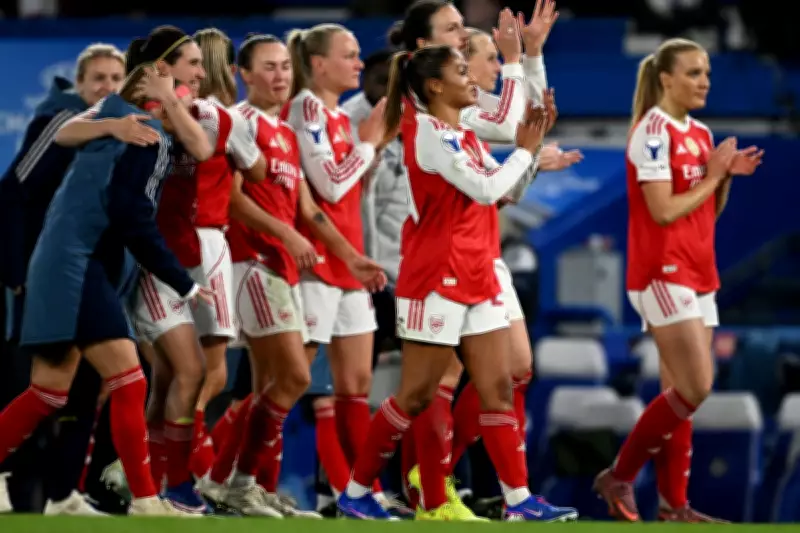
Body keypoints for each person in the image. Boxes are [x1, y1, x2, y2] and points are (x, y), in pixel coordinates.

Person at [337, 45, 569, 522]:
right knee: (416, 395)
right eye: (461, 71)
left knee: (498, 388)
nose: (471, 79)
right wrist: (524, 150)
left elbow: (503, 192)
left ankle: (519, 501)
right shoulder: (427, 133)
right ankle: (356, 492)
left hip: (478, 272)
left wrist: (530, 148)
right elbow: (485, 188)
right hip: (435, 278)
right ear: (435, 86)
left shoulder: (465, 135)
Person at [0, 39, 212, 513]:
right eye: (193, 67)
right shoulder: (143, 131)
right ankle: (145, 498)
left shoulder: (129, 116)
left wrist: (157, 103)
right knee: (128, 380)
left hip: (73, 261)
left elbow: (201, 146)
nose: (201, 76)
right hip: (78, 264)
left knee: (48, 392)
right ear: (160, 77)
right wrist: (183, 282)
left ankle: (117, 496)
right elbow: (129, 213)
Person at [196, 33, 384, 517]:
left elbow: (307, 209)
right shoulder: (240, 122)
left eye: (284, 66)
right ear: (244, 74)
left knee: (264, 388)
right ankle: (229, 480)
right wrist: (286, 234)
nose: (280, 76)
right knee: (294, 377)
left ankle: (239, 484)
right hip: (254, 261)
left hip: (282, 264)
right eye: (268, 67)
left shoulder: (283, 130)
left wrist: (351, 258)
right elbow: (232, 198)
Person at [593, 37, 762, 523]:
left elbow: (706, 211)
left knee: (679, 395)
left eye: (706, 72)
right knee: (696, 386)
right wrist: (711, 177)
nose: (704, 81)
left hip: (699, 270)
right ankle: (619, 475)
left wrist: (724, 177)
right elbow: (663, 210)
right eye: (693, 73)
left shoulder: (701, 132)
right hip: (662, 271)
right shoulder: (651, 132)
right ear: (666, 79)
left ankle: (673, 506)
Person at [128, 28, 265, 512]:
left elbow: (228, 157)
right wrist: (167, 101)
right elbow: (204, 151)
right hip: (150, 254)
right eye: (194, 64)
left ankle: (158, 478)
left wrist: (176, 100)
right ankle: (166, 479)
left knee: (177, 373)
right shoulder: (134, 114)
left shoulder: (209, 114)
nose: (203, 74)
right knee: (181, 371)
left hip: (187, 251)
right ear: (164, 68)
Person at [0, 44, 135, 516]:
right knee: (39, 388)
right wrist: (16, 272)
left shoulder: (123, 133)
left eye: (116, 78)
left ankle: (64, 495)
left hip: (92, 278)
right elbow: (11, 193)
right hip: (48, 279)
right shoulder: (60, 125)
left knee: (81, 390)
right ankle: (18, 489)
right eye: (98, 78)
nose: (107, 87)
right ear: (79, 85)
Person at [279, 23, 390, 504]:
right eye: (350, 55)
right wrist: (369, 144)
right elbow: (328, 184)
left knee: (356, 386)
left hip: (348, 262)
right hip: (315, 264)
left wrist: (372, 147)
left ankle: (364, 492)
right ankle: (228, 474)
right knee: (290, 383)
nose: (359, 63)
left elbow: (348, 191)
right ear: (319, 64)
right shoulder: (304, 110)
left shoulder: (339, 118)